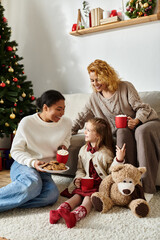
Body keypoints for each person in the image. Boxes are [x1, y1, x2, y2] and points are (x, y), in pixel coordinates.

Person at [72, 59, 160, 198]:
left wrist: (137, 120)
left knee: (140, 131)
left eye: (98, 79)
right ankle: (129, 183)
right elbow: (81, 116)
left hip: (146, 123)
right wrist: (67, 133)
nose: (95, 83)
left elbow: (142, 108)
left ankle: (147, 189)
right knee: (121, 131)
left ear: (107, 75)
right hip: (125, 129)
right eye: (92, 80)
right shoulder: (94, 98)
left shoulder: (125, 87)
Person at [0, 90, 72, 212]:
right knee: (32, 184)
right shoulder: (27, 122)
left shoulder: (66, 123)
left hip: (45, 168)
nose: (62, 113)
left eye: (64, 109)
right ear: (45, 107)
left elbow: (66, 139)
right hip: (24, 164)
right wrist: (32, 162)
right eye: (59, 109)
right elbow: (16, 151)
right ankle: (15, 196)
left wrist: (63, 146)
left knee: (51, 196)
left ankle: (13, 199)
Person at [50, 117, 126, 228]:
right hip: (86, 183)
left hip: (99, 185)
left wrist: (118, 160)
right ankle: (59, 211)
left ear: (98, 135)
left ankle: (75, 217)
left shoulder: (106, 153)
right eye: (85, 129)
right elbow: (80, 169)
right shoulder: (83, 150)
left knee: (87, 199)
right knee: (76, 196)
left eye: (88, 130)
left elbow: (112, 173)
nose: (84, 132)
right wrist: (78, 179)